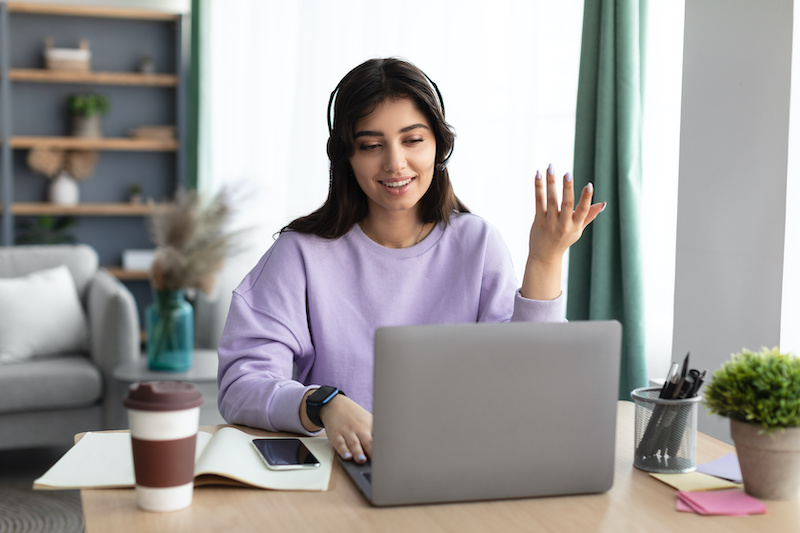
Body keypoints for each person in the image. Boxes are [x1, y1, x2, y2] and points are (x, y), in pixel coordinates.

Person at [217, 57, 605, 465]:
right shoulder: (300, 255)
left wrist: (545, 259)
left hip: (461, 467)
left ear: (439, 145)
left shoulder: (477, 243)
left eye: (412, 140)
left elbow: (528, 383)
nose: (395, 163)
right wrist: (322, 403)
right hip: (338, 477)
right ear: (347, 157)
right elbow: (241, 386)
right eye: (371, 145)